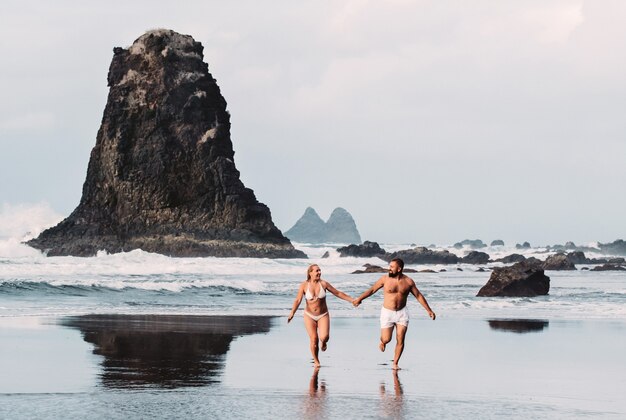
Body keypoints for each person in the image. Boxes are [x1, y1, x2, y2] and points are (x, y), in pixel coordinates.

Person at [353, 258, 435, 370]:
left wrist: (429, 310)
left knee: (400, 338)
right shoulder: (384, 279)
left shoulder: (408, 282)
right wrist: (360, 299)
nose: (389, 268)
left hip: (402, 313)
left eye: (392, 267)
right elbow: (372, 290)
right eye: (389, 266)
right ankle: (382, 342)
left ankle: (395, 363)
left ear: (399, 268)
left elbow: (418, 295)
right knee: (387, 339)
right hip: (387, 313)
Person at [288, 264, 354, 367]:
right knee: (314, 339)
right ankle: (316, 361)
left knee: (324, 337)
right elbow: (298, 300)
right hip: (309, 315)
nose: (319, 272)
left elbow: (338, 293)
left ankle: (323, 342)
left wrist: (352, 300)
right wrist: (292, 312)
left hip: (323, 315)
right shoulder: (304, 285)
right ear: (310, 273)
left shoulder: (323, 284)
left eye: (320, 270)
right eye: (317, 271)